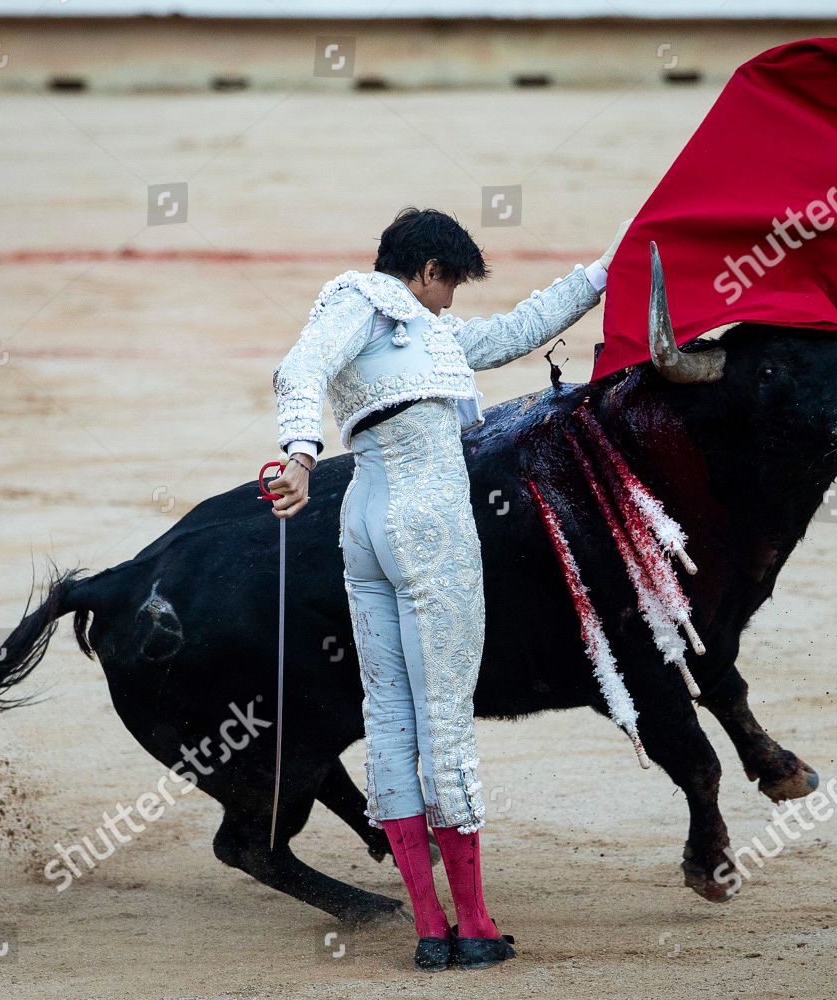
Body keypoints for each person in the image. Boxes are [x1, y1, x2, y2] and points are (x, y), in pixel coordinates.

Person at [268, 207, 625, 972]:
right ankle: (475, 925)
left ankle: (431, 931)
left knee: (390, 717)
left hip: (363, 520)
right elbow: (297, 370)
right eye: (451, 284)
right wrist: (298, 454)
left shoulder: (426, 335)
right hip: (427, 520)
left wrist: (601, 273)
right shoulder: (364, 300)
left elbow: (522, 327)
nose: (454, 300)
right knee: (442, 720)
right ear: (426, 272)